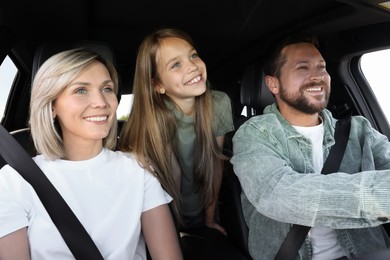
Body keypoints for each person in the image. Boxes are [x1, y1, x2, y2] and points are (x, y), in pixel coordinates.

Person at [0, 48, 182, 260]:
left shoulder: (139, 170)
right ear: (51, 106)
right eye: (80, 90)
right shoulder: (13, 182)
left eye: (107, 88)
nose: (101, 102)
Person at [231, 32, 390, 260]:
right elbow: (279, 194)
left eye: (322, 67)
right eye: (302, 68)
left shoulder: (359, 129)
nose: (317, 77)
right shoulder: (255, 134)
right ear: (273, 83)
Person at [118, 28, 247, 259]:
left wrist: (210, 218)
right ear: (158, 85)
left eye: (193, 55)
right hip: (164, 212)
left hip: (204, 205)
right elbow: (152, 186)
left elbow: (215, 163)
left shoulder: (217, 103)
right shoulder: (153, 118)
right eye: (175, 65)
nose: (192, 66)